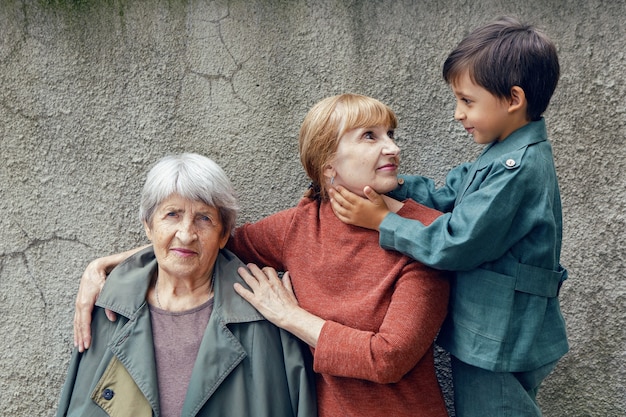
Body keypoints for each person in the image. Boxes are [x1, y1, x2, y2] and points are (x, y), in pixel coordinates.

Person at [72, 94, 451, 417]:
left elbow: (388, 358)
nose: (393, 148)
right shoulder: (300, 227)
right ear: (328, 164)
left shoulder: (427, 234)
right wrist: (107, 264)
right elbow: (205, 241)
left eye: (390, 134)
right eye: (371, 136)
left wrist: (290, 317)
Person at [329, 17, 568, 417]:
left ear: (513, 98)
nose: (458, 113)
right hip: (491, 330)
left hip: (501, 339)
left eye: (467, 101)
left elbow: (458, 242)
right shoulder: (500, 152)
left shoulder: (516, 168)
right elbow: (446, 196)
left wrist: (381, 222)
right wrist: (394, 185)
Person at [57, 154, 317, 417]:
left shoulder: (264, 319)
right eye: (172, 214)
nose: (186, 233)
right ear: (148, 226)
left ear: (224, 234)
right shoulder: (110, 310)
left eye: (204, 218)